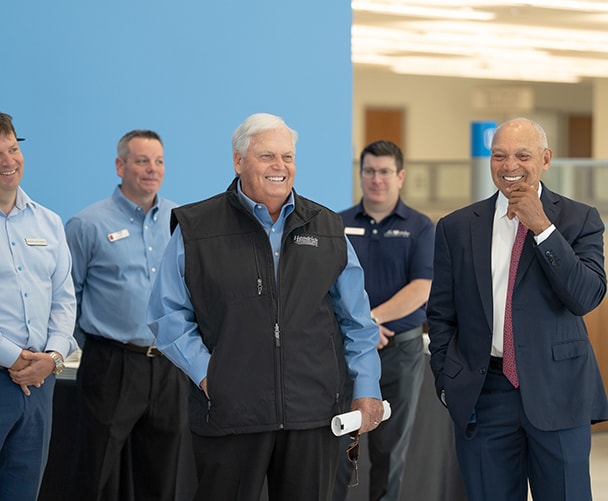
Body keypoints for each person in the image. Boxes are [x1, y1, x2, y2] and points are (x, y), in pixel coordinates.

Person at [147, 112, 384, 501]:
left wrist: (367, 386)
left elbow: (357, 321)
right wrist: (210, 376)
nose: (280, 167)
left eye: (287, 157)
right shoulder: (197, 227)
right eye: (267, 157)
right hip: (229, 413)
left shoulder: (327, 228)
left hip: (312, 415)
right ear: (238, 161)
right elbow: (167, 313)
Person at [427, 117, 608, 501]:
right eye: (499, 156)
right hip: (484, 392)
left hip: (558, 391)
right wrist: (448, 379)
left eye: (522, 155)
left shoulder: (579, 219)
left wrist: (542, 227)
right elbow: (441, 314)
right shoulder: (457, 227)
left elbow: (585, 296)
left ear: (545, 159)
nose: (510, 166)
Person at [64, 130, 188, 500]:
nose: (152, 169)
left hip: (169, 367)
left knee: (161, 476)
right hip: (111, 366)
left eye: (159, 161)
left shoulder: (180, 220)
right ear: (121, 166)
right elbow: (69, 295)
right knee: (94, 472)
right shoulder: (87, 224)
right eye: (142, 161)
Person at [334, 140, 434, 501]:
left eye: (385, 171)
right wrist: (360, 330)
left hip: (399, 354)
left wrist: (370, 321)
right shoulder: (336, 225)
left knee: (390, 452)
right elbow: (325, 286)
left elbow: (422, 286)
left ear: (401, 176)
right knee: (340, 448)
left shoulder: (420, 227)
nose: (376, 179)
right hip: (344, 353)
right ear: (360, 174)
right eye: (369, 171)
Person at [0, 112, 78, 501]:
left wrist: (53, 356)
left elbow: (64, 300)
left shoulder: (49, 223)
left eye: (13, 148)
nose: (7, 161)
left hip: (40, 385)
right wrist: (12, 356)